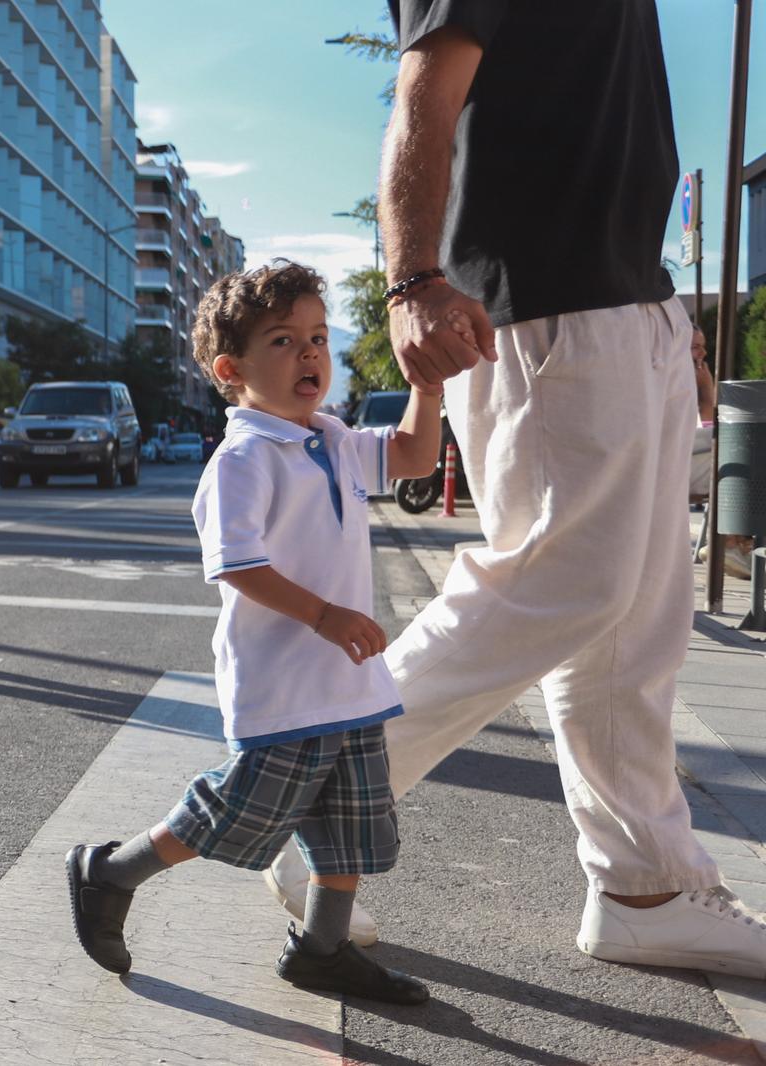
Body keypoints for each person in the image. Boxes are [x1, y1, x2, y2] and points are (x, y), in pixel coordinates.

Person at [263, 1, 766, 977]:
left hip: (630, 300)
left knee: (635, 622)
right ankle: (324, 811)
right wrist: (410, 280)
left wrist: (665, 317)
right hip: (543, 307)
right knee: (552, 583)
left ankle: (642, 889)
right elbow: (427, 87)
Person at [66, 261, 442, 1004]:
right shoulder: (241, 460)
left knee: (354, 826)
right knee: (236, 810)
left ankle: (321, 949)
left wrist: (427, 387)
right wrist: (325, 616)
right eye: (284, 340)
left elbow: (413, 456)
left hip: (349, 684)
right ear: (231, 369)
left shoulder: (329, 437)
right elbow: (239, 566)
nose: (310, 354)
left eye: (318, 338)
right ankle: (109, 872)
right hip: (283, 686)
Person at [691, 328, 752, 579]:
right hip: (671, 470)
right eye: (695, 346)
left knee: (742, 458)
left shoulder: (685, 381)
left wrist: (707, 392)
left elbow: (707, 425)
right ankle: (730, 544)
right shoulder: (664, 384)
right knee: (742, 459)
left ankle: (736, 544)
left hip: (687, 463)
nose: (703, 352)